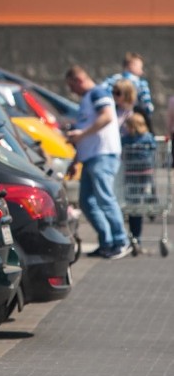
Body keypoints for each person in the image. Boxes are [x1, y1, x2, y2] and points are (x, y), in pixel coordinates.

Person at [64, 65, 131, 260]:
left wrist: (81, 134)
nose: (71, 91)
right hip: (90, 157)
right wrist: (76, 160)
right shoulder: (87, 99)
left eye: (71, 86)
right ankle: (106, 242)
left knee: (104, 198)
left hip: (103, 155)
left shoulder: (97, 93)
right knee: (86, 201)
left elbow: (107, 116)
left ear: (79, 80)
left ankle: (120, 241)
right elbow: (86, 129)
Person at [121, 113, 156, 252]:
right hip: (145, 174)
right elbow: (154, 150)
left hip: (131, 175)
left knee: (132, 204)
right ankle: (136, 237)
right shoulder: (148, 138)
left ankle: (134, 237)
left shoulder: (127, 140)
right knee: (137, 203)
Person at [105, 52, 154, 134]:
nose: (142, 72)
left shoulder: (112, 79)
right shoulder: (141, 83)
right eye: (140, 68)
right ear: (132, 65)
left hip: (114, 120)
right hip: (135, 126)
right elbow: (148, 107)